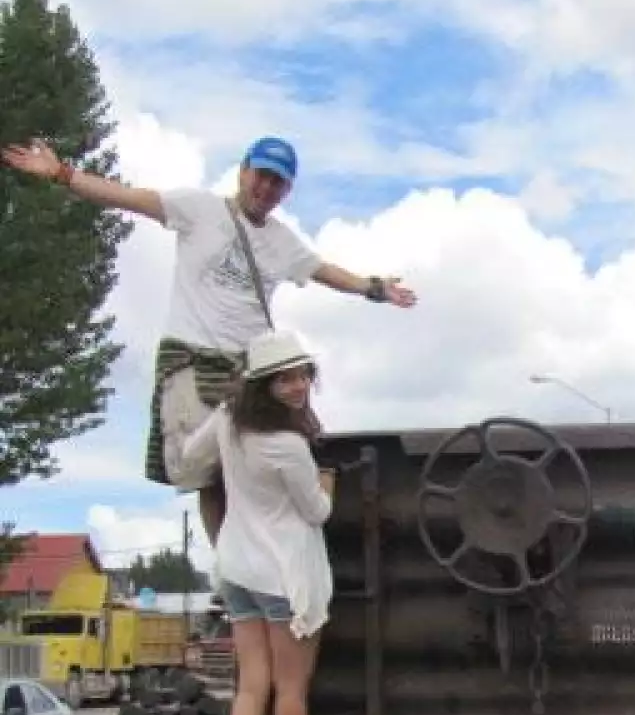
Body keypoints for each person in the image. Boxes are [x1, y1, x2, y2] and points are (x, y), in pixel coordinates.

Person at [0, 133, 417, 547]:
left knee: (276, 460)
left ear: (286, 191)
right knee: (208, 476)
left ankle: (273, 558)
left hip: (251, 369)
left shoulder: (281, 240)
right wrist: (61, 173)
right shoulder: (199, 209)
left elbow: (324, 270)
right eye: (262, 176)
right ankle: (230, 574)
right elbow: (127, 197)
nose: (266, 188)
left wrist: (373, 287)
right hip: (193, 360)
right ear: (243, 172)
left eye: (278, 183)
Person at [181, 329, 359, 715]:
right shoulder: (286, 445)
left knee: (251, 687)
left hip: (238, 568)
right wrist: (329, 481)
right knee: (291, 688)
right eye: (286, 379)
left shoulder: (227, 420)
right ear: (264, 385)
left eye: (303, 374)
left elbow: (191, 458)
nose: (299, 385)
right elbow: (317, 512)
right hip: (282, 574)